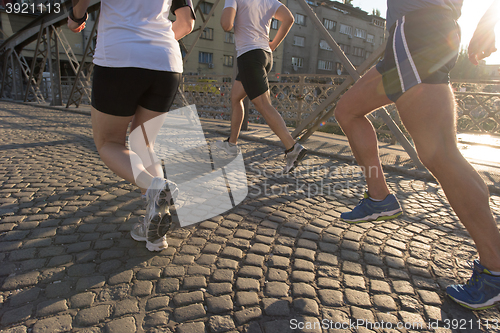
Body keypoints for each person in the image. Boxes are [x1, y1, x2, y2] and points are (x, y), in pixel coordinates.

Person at [334, 0, 500, 310]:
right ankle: (379, 196)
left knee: (441, 155)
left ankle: (495, 269)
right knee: (347, 110)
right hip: (409, 35)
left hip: (418, 30)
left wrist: (488, 26)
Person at [68, 0, 195, 251]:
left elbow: (79, 8)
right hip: (166, 61)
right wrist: (154, 41)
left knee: (109, 143)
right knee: (142, 141)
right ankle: (155, 234)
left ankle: (154, 186)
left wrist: (75, 16)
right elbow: (187, 23)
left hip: (119, 58)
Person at [217, 0, 307, 173]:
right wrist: (273, 44)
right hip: (264, 55)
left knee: (264, 105)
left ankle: (292, 148)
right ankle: (231, 144)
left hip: (249, 56)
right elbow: (289, 18)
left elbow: (226, 25)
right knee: (236, 97)